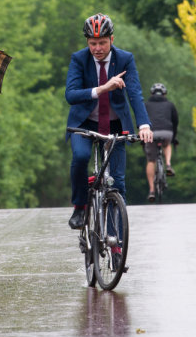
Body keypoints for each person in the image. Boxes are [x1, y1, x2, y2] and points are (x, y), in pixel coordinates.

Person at [66, 13, 153, 230]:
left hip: (115, 126)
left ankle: (116, 246)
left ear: (112, 40)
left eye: (102, 43)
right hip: (84, 124)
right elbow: (71, 95)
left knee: (118, 184)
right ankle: (79, 205)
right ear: (87, 42)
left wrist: (144, 124)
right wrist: (103, 88)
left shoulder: (125, 59)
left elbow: (135, 93)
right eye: (93, 43)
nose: (97, 48)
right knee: (81, 156)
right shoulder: (79, 59)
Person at [144, 82, 179, 202]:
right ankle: (168, 164)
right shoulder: (170, 105)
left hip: (151, 133)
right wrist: (174, 137)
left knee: (151, 160)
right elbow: (175, 122)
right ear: (164, 94)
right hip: (167, 132)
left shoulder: (146, 105)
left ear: (151, 93)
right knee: (167, 144)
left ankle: (152, 190)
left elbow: (142, 121)